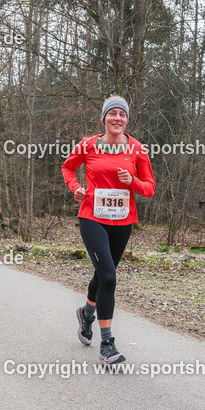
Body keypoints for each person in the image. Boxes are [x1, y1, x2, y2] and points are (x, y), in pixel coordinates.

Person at [61, 96, 155, 365]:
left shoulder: (137, 149)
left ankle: (87, 313)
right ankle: (108, 344)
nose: (117, 118)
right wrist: (75, 188)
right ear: (104, 119)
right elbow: (68, 167)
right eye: (112, 113)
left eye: (122, 115)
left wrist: (133, 181)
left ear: (127, 120)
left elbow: (149, 187)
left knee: (104, 274)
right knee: (109, 276)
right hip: (92, 216)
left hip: (123, 222)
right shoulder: (88, 145)